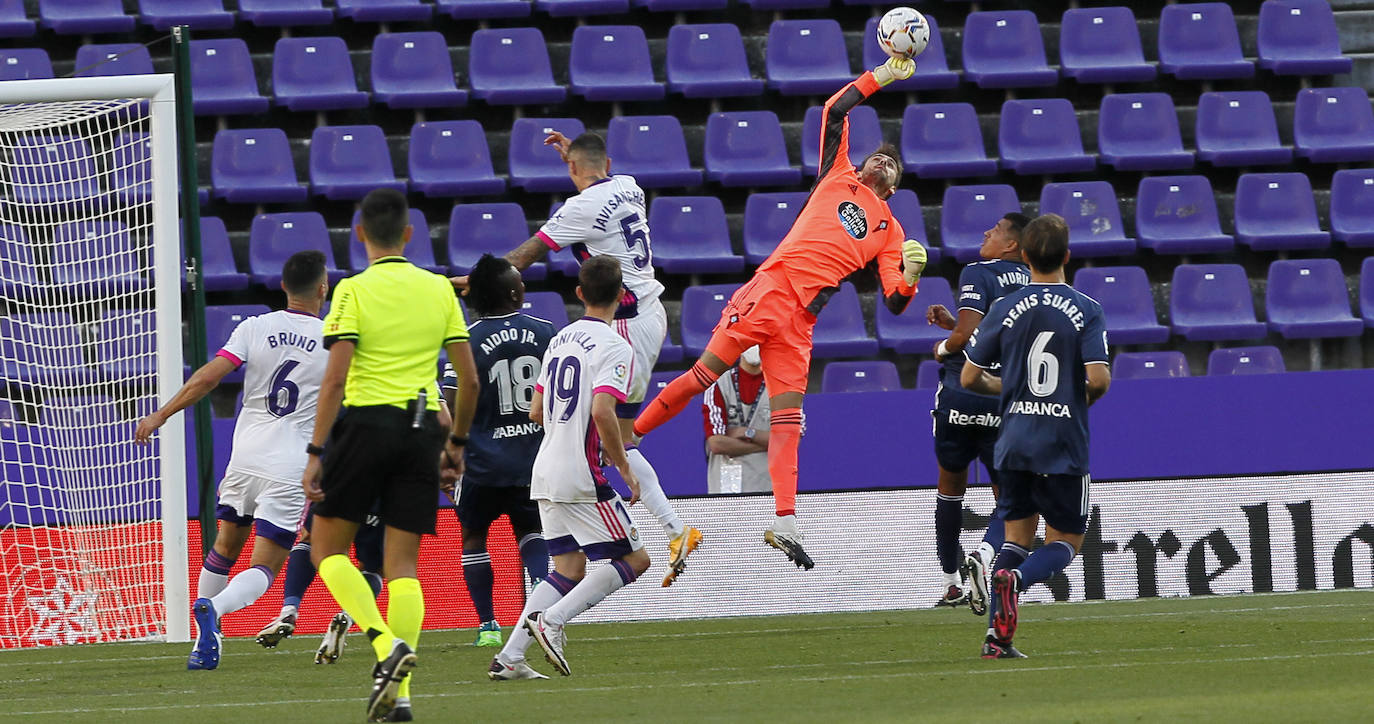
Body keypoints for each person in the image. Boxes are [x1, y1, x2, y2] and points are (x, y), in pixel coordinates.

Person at [633, 56, 928, 569]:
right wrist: (883, 74)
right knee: (703, 375)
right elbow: (835, 109)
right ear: (862, 165)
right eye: (879, 156)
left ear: (895, 187)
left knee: (789, 419)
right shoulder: (837, 174)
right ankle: (629, 436)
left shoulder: (892, 231)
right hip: (771, 289)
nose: (884, 161)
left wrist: (912, 277)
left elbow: (895, 302)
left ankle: (785, 520)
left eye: (892, 164)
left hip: (801, 322)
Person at [450, 130, 702, 588]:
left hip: (623, 323)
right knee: (617, 437)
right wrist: (576, 158)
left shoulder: (577, 210)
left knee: (607, 437)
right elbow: (595, 179)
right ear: (606, 161)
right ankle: (673, 530)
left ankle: (663, 527)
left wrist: (479, 280)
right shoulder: (629, 185)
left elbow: (524, 257)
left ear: (571, 169)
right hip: (651, 315)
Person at [302, 188, 480, 722]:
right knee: (404, 568)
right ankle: (400, 698)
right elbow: (468, 380)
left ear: (359, 234)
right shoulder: (438, 291)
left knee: (326, 550)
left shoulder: (352, 291)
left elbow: (335, 378)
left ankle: (383, 646)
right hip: (423, 427)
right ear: (408, 234)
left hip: (365, 424)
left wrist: (316, 449)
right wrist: (456, 444)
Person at [134, 250, 328, 671]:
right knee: (266, 564)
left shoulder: (257, 326)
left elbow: (209, 376)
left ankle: (205, 639)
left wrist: (161, 414)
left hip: (245, 457)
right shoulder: (334, 338)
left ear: (282, 287)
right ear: (323, 288)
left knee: (224, 545)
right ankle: (214, 611)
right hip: (290, 465)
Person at [961, 213, 1111, 659]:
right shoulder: (1086, 308)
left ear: (1024, 256)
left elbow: (970, 378)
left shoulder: (1004, 307)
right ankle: (1019, 581)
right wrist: (1071, 400)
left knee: (1014, 539)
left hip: (1013, 441)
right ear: (1067, 256)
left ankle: (996, 638)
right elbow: (1099, 380)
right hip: (1062, 442)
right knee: (1065, 540)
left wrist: (1009, 391)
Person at [489, 257, 647, 680]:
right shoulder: (616, 346)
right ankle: (553, 621)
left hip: (545, 468)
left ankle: (509, 657)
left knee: (567, 568)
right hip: (580, 474)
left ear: (579, 294)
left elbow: (536, 410)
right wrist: (624, 468)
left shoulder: (560, 339)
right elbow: (602, 410)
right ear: (622, 296)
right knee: (636, 558)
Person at [443, 254, 554, 647]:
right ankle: (540, 607)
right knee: (532, 530)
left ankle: (488, 626)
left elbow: (452, 398)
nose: (523, 284)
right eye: (518, 281)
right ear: (511, 293)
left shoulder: (465, 340)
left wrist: (450, 452)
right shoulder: (546, 332)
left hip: (480, 463)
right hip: (532, 459)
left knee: (474, 536)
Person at [924, 213, 1030, 613]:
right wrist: (955, 326)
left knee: (950, 488)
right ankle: (986, 557)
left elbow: (966, 338)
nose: (987, 231)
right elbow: (996, 334)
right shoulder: (1040, 284)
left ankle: (951, 583)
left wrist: (942, 346)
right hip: (1005, 397)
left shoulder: (978, 272)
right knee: (1010, 495)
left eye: (997, 230)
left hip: (962, 392)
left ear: (1011, 246)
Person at [253, 505, 384, 665]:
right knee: (375, 568)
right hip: (381, 498)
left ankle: (289, 611)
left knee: (311, 540)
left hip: (340, 487)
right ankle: (347, 617)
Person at [702, 346, 771, 495]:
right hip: (725, 488)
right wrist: (766, 444)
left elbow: (790, 441)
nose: (754, 346)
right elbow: (716, 444)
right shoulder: (718, 384)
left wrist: (747, 433)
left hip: (767, 488)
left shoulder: (783, 385)